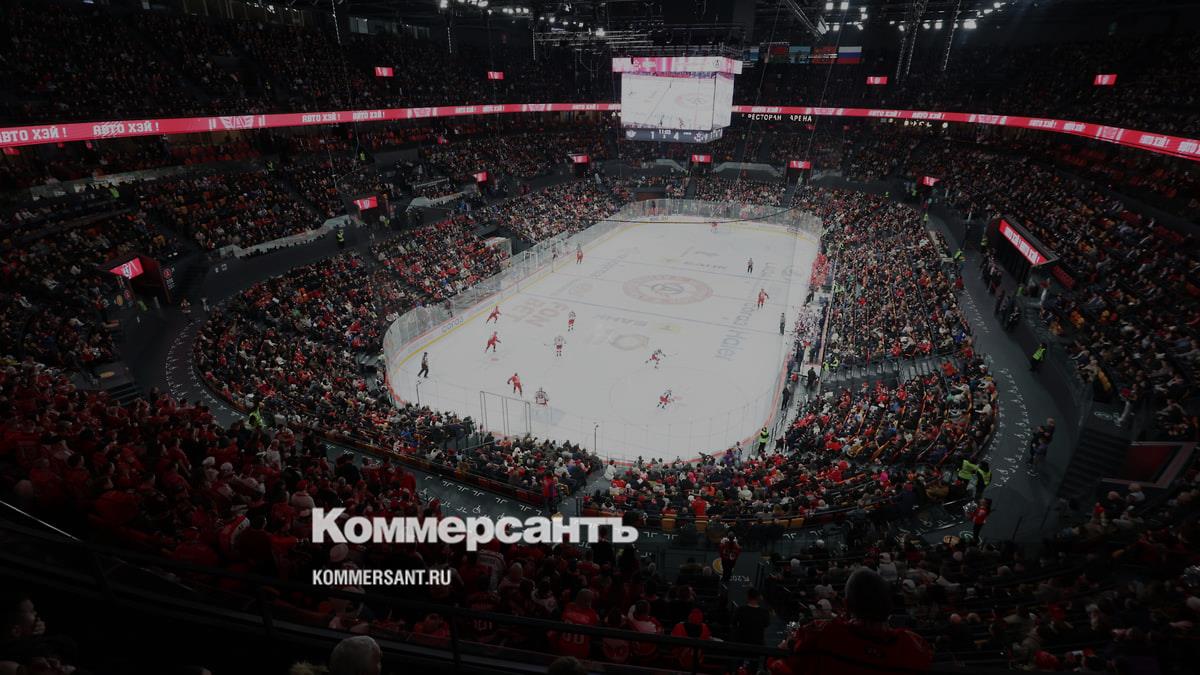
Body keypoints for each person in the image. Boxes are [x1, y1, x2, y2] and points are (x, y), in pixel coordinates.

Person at [775, 569, 932, 674]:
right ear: (889, 605)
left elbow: (784, 666)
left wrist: (776, 656)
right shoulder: (915, 647)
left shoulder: (821, 634)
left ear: (847, 605)